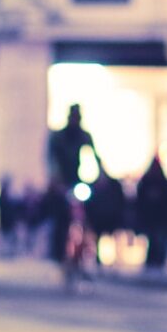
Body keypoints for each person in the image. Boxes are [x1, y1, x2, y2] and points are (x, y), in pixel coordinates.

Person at [45, 104, 97, 263]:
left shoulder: (84, 136)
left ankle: (90, 248)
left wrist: (102, 176)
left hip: (76, 179)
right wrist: (55, 179)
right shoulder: (58, 137)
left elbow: (95, 156)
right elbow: (51, 160)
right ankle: (58, 252)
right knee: (60, 215)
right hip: (61, 181)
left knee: (91, 209)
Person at [136, 157, 167, 270]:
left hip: (157, 218)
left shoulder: (155, 182)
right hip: (153, 218)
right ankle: (154, 260)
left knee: (157, 239)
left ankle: (156, 260)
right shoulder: (150, 182)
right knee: (154, 239)